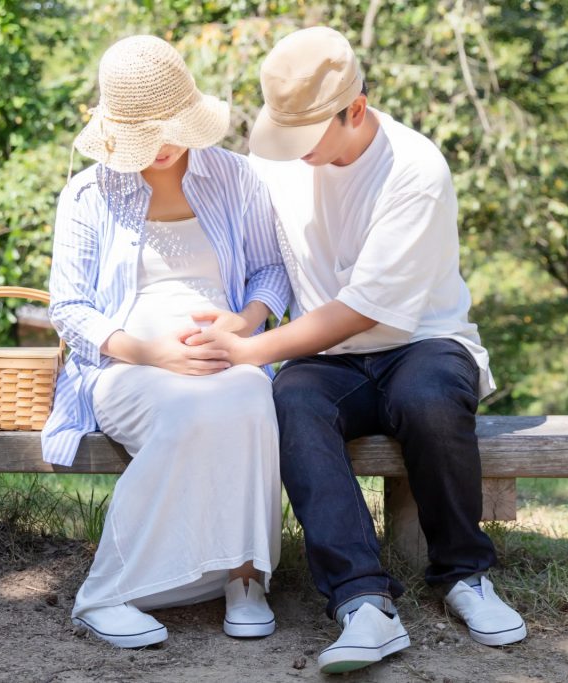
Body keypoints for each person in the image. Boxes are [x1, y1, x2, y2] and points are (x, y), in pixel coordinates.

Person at [187, 26, 526, 674]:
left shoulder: (415, 169)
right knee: (292, 402)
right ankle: (362, 600)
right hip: (326, 356)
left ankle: (464, 574)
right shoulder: (275, 161)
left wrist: (250, 350)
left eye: (310, 137)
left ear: (357, 111)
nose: (297, 153)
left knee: (428, 401)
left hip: (421, 338)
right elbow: (273, 262)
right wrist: (248, 316)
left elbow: (365, 309)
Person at [42, 35, 290, 648]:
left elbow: (271, 270)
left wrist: (244, 322)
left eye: (171, 130)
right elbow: (69, 309)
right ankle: (109, 592)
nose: (159, 148)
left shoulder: (235, 177)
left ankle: (243, 574)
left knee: (253, 398)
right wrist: (155, 353)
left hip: (226, 351)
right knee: (186, 408)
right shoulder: (88, 195)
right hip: (126, 363)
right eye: (143, 137)